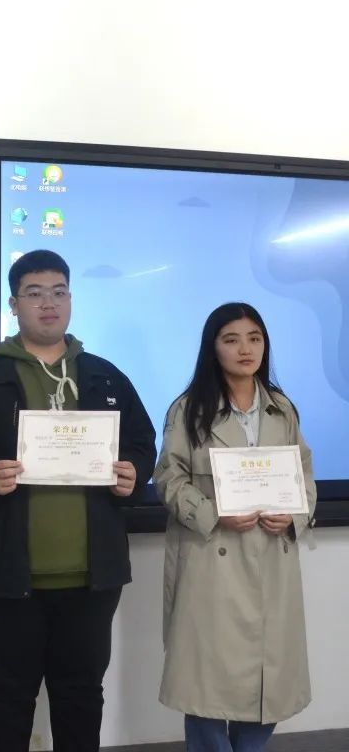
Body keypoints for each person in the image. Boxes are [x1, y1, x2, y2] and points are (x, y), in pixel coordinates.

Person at [0, 249, 156, 752]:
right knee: (7, 698)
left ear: (71, 299)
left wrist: (133, 472)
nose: (48, 303)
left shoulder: (104, 376)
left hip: (91, 576)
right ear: (14, 305)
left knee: (81, 697)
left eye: (59, 292)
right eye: (34, 294)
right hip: (8, 576)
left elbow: (142, 443)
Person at [154, 302, 315, 751]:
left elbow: (304, 476)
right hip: (212, 562)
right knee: (206, 690)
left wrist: (295, 515)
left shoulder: (282, 408)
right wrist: (211, 513)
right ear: (213, 348)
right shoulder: (189, 408)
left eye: (254, 338)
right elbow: (168, 477)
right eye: (232, 339)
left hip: (272, 562)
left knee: (270, 686)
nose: (246, 349)